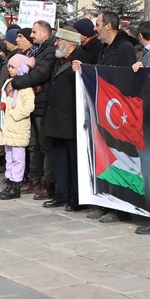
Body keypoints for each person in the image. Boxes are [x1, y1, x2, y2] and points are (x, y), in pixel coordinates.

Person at [41, 26, 95, 210]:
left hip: (72, 120)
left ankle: (77, 198)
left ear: (70, 43)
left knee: (74, 162)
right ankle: (61, 194)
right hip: (57, 119)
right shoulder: (59, 59)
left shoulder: (83, 59)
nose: (56, 43)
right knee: (60, 161)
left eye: (59, 40)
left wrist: (82, 70)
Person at [9, 21, 57, 198]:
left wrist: (16, 83)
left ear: (45, 33)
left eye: (35, 32)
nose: (32, 35)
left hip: (43, 103)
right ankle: (33, 178)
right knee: (33, 145)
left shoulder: (50, 51)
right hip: (34, 102)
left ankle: (47, 182)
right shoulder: (38, 50)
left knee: (44, 146)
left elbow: (40, 73)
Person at [0, 53, 35, 200]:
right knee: (9, 156)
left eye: (13, 67)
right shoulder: (9, 84)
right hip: (8, 126)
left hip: (18, 126)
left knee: (18, 157)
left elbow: (28, 107)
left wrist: (13, 115)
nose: (10, 69)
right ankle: (9, 182)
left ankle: (16, 185)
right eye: (9, 66)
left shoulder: (25, 88)